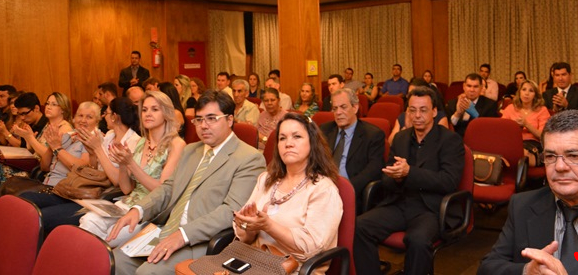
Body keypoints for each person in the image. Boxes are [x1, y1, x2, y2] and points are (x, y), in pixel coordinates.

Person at [108, 90, 266, 275]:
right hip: (165, 229)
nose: (204, 126)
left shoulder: (248, 158)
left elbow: (230, 211)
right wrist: (139, 209)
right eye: (199, 120)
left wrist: (183, 235)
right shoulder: (191, 150)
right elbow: (168, 188)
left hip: (198, 240)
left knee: (147, 272)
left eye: (212, 118)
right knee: (116, 260)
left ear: (230, 120)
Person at [478, 110, 578, 275]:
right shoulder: (523, 206)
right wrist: (526, 271)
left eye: (574, 156)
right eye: (551, 156)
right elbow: (487, 268)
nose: (559, 167)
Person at [355, 87, 465, 275]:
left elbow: (448, 181)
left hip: (430, 208)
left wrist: (409, 173)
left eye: (423, 110)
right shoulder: (400, 138)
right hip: (399, 203)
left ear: (434, 112)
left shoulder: (450, 140)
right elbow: (386, 178)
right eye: (412, 110)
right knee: (359, 226)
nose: (417, 115)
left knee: (417, 240)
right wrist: (397, 178)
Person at [233, 112, 343, 275]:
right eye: (282, 138)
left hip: (297, 270)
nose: (288, 143)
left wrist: (268, 226)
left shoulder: (323, 189)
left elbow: (312, 249)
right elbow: (246, 238)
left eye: (297, 136)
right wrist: (247, 225)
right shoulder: (266, 179)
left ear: (312, 142)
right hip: (254, 263)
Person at [80, 91, 186, 246]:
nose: (148, 114)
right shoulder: (142, 142)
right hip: (126, 204)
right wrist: (123, 164)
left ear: (166, 113)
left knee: (104, 237)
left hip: (149, 211)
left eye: (155, 109)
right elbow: (126, 189)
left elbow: (162, 191)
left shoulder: (176, 144)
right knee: (88, 220)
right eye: (144, 110)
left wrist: (131, 163)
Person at [18, 93, 89, 234]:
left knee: (30, 208)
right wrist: (51, 146)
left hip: (63, 189)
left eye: (88, 117)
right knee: (20, 201)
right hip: (48, 180)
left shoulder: (75, 136)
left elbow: (80, 169)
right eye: (79, 116)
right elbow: (45, 166)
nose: (82, 120)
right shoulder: (60, 131)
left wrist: (55, 147)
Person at [319, 88, 384, 206]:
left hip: (352, 191)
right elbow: (315, 160)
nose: (338, 112)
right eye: (335, 108)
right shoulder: (325, 130)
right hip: (322, 190)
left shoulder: (372, 134)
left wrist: (346, 189)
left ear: (355, 108)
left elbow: (373, 170)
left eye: (343, 107)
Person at [501, 80, 550, 166]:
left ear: (535, 95)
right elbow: (501, 131)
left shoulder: (542, 110)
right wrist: (515, 127)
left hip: (533, 145)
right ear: (519, 92)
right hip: (512, 142)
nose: (526, 93)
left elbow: (543, 136)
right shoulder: (510, 108)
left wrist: (526, 124)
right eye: (524, 89)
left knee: (521, 153)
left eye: (531, 91)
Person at [390, 78, 449, 142]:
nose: (417, 115)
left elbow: (443, 142)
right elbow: (391, 142)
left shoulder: (440, 116)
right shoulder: (403, 116)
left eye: (416, 94)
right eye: (410, 94)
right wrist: (406, 130)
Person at [446, 73, 499, 137]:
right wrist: (457, 114)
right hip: (457, 139)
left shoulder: (490, 105)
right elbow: (448, 127)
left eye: (475, 87)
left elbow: (489, 129)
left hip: (479, 138)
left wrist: (475, 115)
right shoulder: (452, 103)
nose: (472, 90)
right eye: (469, 86)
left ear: (481, 87)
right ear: (464, 86)